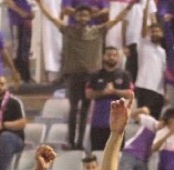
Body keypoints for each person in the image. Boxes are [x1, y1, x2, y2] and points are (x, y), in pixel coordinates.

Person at [40, 2, 132, 150]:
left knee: (85, 110)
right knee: (73, 109)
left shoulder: (98, 31)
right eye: (80, 15)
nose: (82, 17)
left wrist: (128, 7)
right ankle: (71, 142)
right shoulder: (68, 30)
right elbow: (51, 18)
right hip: (73, 75)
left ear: (90, 17)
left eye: (85, 15)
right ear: (75, 16)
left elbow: (116, 20)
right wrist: (40, 4)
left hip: (91, 76)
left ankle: (80, 143)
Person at [86, 47, 133, 151]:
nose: (111, 57)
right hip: (98, 123)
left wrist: (114, 91)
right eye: (109, 55)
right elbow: (88, 94)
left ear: (118, 58)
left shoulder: (124, 75)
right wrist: (103, 92)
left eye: (114, 55)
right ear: (103, 56)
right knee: (97, 154)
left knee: (116, 155)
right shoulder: (95, 75)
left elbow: (130, 94)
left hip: (117, 124)